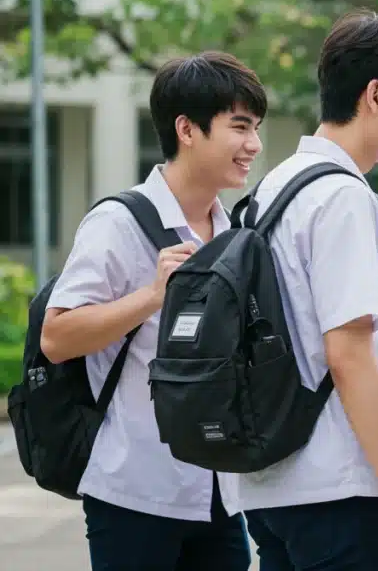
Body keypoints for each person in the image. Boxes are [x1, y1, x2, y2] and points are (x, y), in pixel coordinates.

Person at [230, 10, 378, 571]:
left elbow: (304, 339)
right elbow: (347, 354)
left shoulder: (275, 187)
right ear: (374, 95)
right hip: (336, 489)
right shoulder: (343, 197)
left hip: (274, 484)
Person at [39, 51, 266, 570]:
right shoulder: (119, 223)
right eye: (239, 126)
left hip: (219, 493)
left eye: (254, 127)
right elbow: (57, 336)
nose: (252, 143)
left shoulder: (233, 233)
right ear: (187, 129)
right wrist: (154, 295)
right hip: (134, 492)